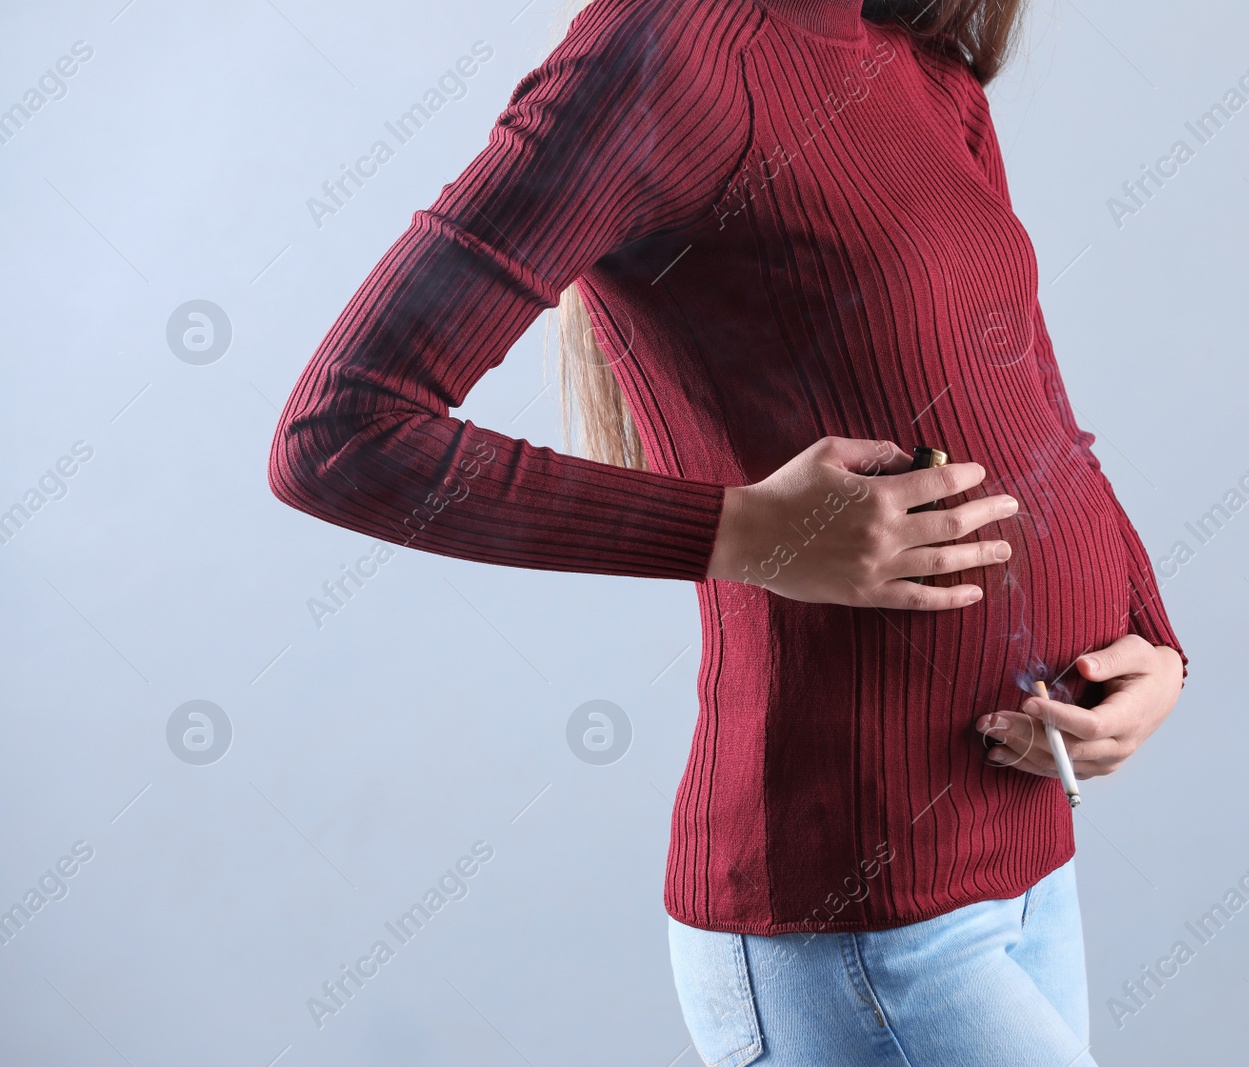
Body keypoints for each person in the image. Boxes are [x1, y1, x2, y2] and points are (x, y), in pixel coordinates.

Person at [268, 0, 1186, 1060]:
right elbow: (339, 433)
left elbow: (1039, 418)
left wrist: (1154, 641)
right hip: (860, 919)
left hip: (1032, 855)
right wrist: (747, 532)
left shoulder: (925, 70)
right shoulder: (661, 47)